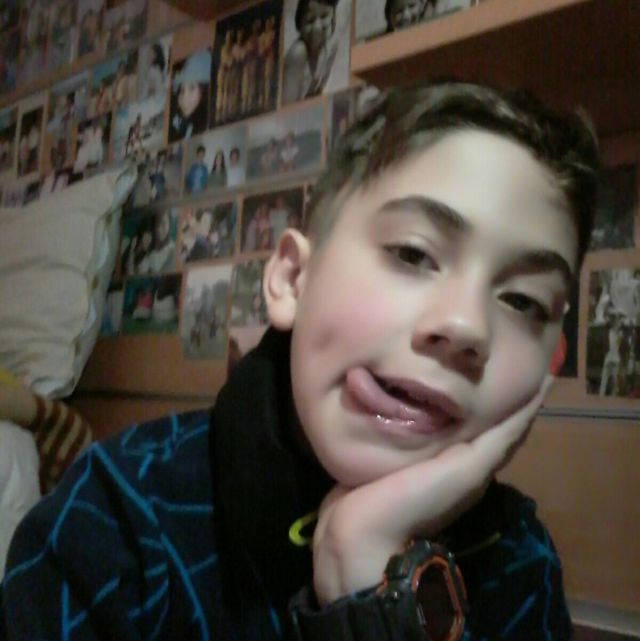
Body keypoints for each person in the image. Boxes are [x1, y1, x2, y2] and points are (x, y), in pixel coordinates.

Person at [1, 81, 600, 641]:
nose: (468, 326)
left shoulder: (519, 562)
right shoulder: (116, 517)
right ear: (292, 279)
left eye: (523, 301)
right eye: (414, 254)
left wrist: (374, 594)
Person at [282, 0, 340, 104]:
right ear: (299, 26)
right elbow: (287, 107)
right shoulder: (298, 53)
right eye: (310, 20)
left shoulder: (329, 48)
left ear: (333, 16)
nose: (317, 27)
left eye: (324, 16)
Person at [170, 49, 211, 142]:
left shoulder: (206, 126)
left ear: (204, 90)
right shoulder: (186, 126)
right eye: (182, 90)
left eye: (191, 88)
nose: (184, 99)